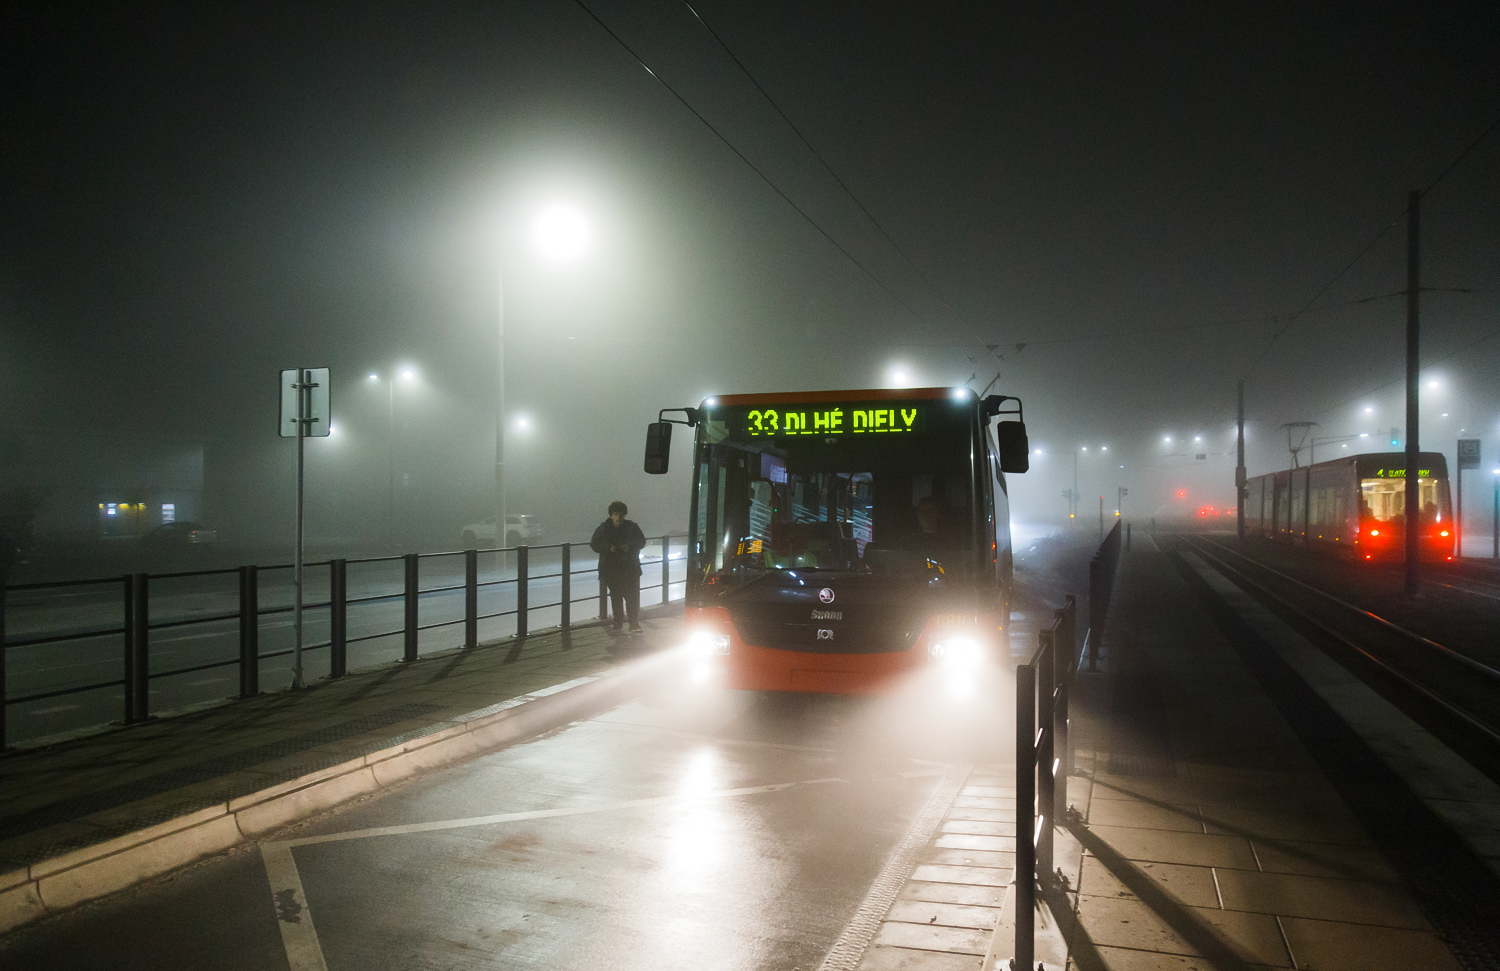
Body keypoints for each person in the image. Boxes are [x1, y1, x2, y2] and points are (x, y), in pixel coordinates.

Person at [590, 500, 646, 633]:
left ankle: (631, 623)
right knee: (617, 597)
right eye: (615, 514)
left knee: (630, 596)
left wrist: (629, 546)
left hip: (628, 569)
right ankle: (621, 623)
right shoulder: (603, 529)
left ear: (624, 515)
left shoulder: (630, 527)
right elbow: (594, 544)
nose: (618, 517)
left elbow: (641, 542)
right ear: (611, 515)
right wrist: (608, 548)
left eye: (620, 514)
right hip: (612, 569)